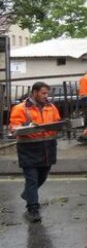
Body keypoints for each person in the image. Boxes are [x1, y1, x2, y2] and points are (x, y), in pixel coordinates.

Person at [8, 82, 61, 223]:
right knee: (31, 179)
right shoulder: (20, 109)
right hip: (28, 148)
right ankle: (33, 208)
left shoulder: (51, 107)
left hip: (47, 147)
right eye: (43, 93)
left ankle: (27, 194)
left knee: (42, 177)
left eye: (47, 93)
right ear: (34, 92)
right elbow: (13, 128)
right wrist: (27, 126)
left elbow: (56, 122)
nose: (46, 96)